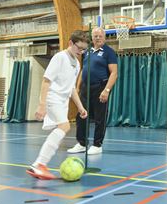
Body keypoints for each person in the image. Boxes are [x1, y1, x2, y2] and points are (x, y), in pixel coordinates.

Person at [26, 30, 89, 180]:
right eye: (78, 48)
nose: (81, 51)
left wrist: (80, 107)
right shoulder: (59, 57)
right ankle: (39, 164)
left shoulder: (77, 64)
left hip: (63, 101)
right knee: (65, 127)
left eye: (83, 49)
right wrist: (42, 105)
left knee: (62, 129)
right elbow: (46, 80)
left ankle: (40, 164)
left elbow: (72, 88)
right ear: (70, 43)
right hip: (52, 97)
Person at [68, 27, 117, 155]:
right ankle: (82, 143)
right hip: (85, 87)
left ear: (104, 37)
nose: (98, 38)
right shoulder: (87, 51)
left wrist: (106, 90)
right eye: (95, 36)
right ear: (92, 38)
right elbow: (83, 70)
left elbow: (114, 74)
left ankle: (97, 144)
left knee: (100, 117)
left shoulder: (109, 52)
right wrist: (78, 87)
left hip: (100, 87)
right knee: (81, 115)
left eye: (100, 36)